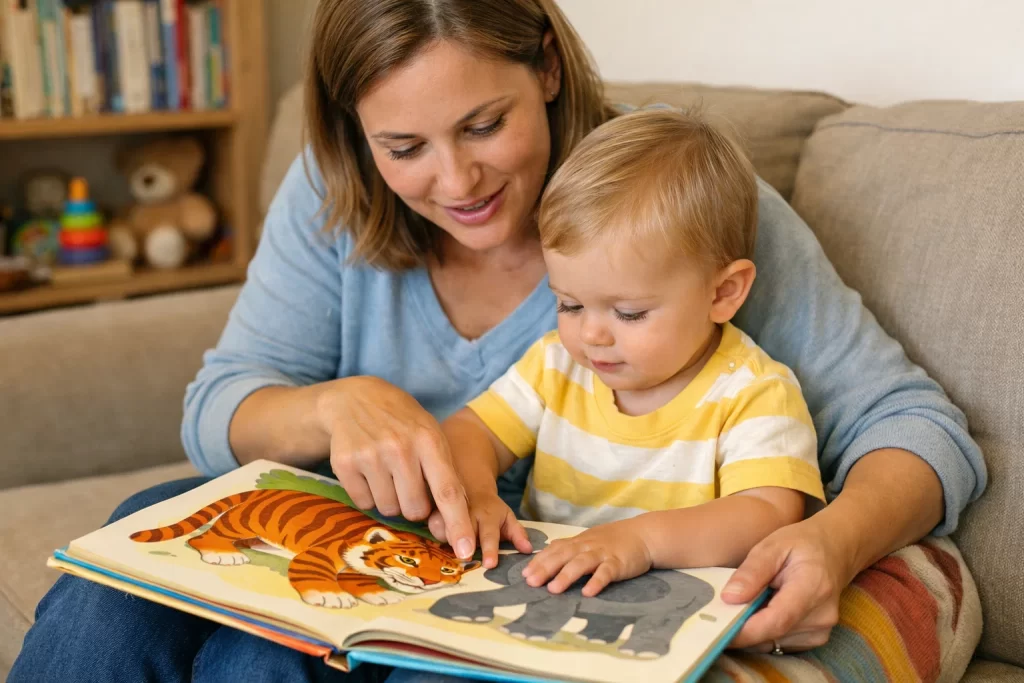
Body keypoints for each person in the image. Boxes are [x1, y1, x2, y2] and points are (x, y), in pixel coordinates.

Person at [10, 1, 985, 682]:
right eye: (404, 148)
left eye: (485, 124)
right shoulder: (332, 191)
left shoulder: (672, 203)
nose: (456, 180)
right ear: (357, 135)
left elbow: (911, 421)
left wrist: (830, 538)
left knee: (251, 658)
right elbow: (218, 407)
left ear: (547, 71)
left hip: (532, 579)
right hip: (372, 543)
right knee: (120, 562)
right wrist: (330, 405)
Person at [430, 108, 827, 601]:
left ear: (723, 292)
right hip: (537, 591)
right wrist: (477, 495)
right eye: (568, 304)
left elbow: (767, 512)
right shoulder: (557, 364)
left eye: (630, 313)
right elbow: (471, 432)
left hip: (656, 614)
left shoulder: (753, 392)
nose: (592, 334)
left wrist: (640, 541)